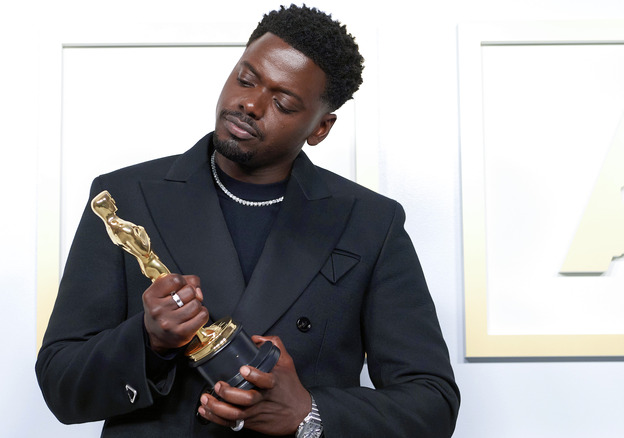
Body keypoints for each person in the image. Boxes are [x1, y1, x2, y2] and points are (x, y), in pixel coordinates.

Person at [36, 5, 460, 437]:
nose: (250, 104)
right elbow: (59, 384)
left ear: (320, 128)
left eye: (283, 102)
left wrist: (309, 413)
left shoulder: (370, 222)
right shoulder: (124, 199)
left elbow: (433, 404)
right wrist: (149, 341)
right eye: (245, 78)